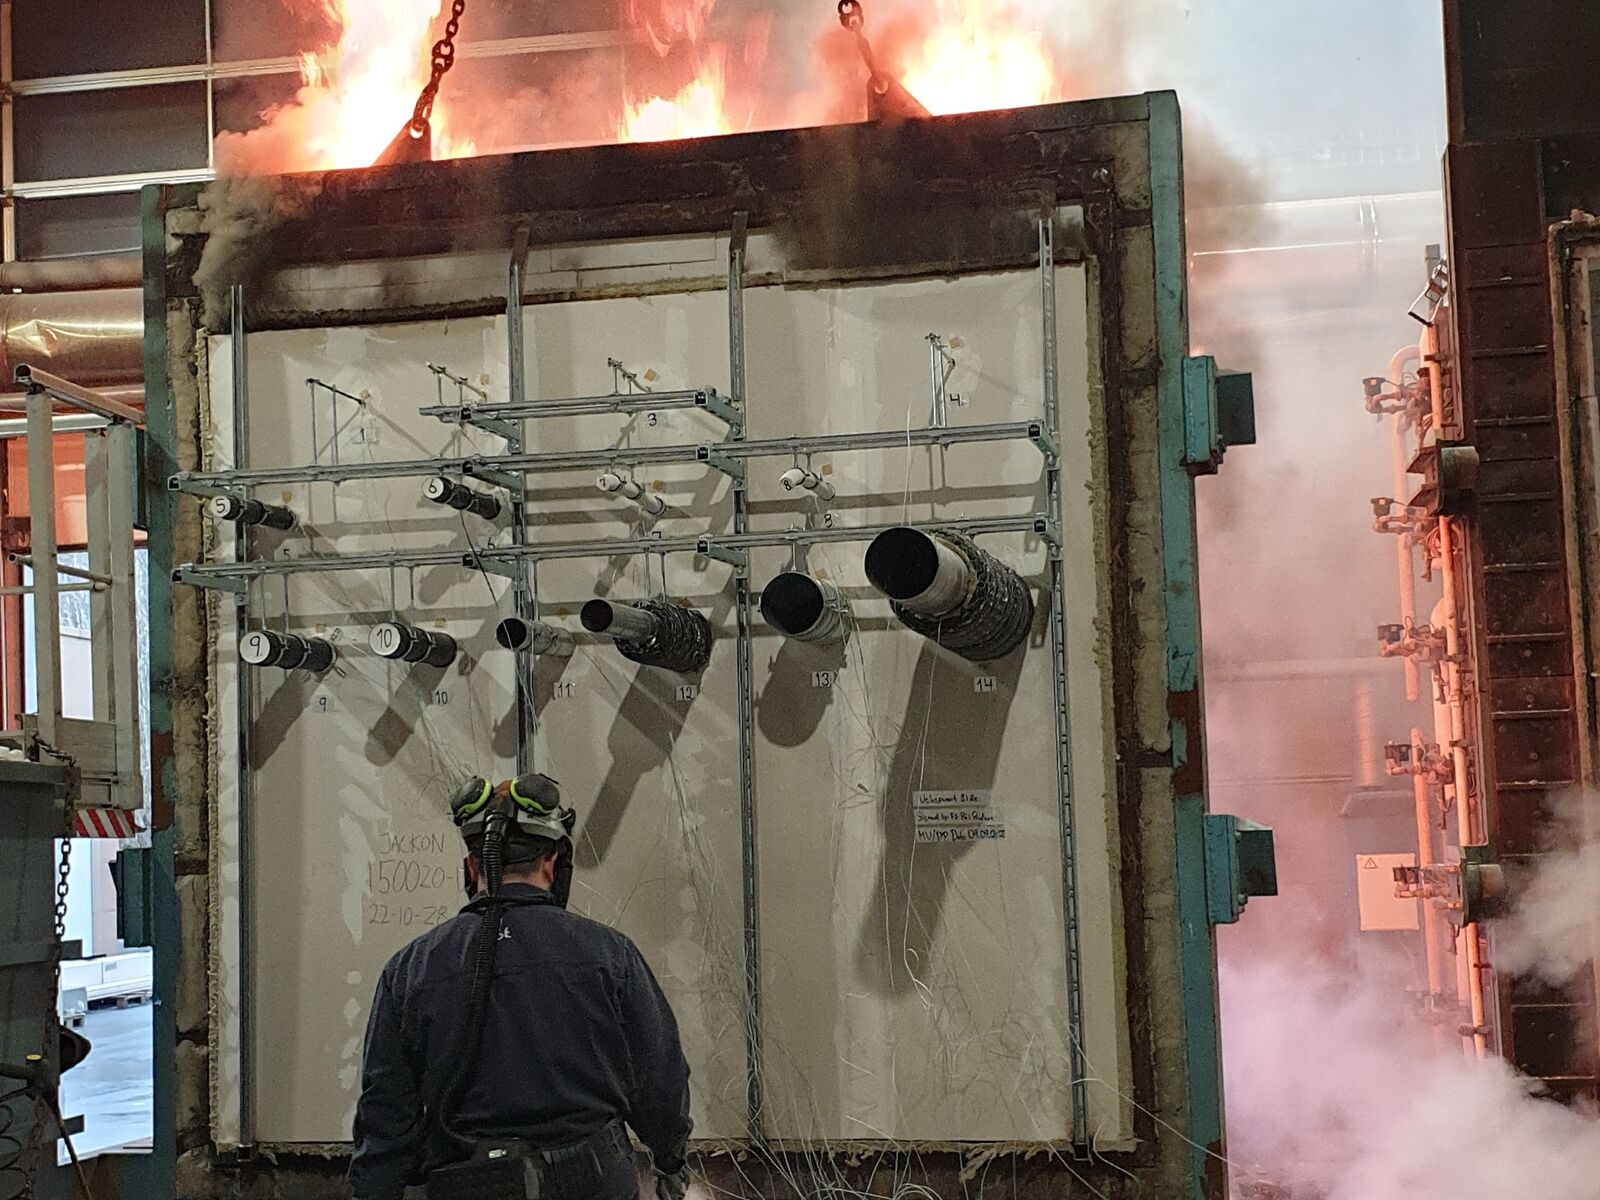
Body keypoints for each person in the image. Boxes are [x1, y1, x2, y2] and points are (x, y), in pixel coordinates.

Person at [349, 775, 693, 1200]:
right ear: (551, 864)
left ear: (473, 866)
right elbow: (660, 1078)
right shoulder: (609, 955)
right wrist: (670, 1159)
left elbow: (384, 1115)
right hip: (591, 1185)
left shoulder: (410, 970)